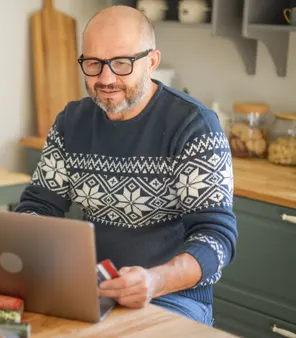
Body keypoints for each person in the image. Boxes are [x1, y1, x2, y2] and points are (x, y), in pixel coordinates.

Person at [15, 5, 238, 326]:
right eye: (93, 63)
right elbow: (39, 207)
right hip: (89, 289)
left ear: (152, 62)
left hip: (172, 298)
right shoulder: (71, 122)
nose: (105, 78)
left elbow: (216, 240)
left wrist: (155, 280)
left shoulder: (194, 126)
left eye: (121, 63)